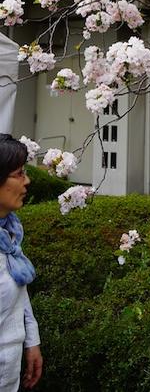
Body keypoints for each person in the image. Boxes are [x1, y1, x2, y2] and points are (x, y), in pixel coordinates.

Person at [0, 135, 42, 391]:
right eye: (18, 173)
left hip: (9, 369)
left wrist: (31, 341)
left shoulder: (9, 235)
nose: (27, 181)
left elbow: (19, 288)